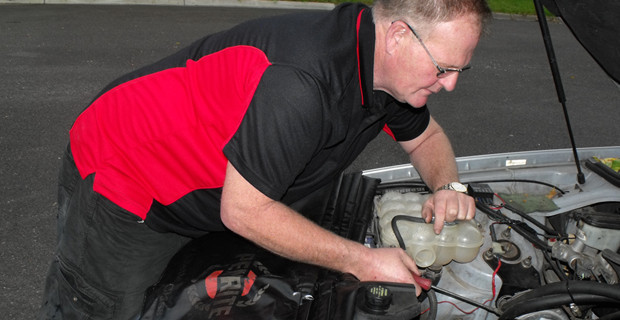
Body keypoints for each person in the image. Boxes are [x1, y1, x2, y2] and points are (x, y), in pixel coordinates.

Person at [39, 0, 492, 318]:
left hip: (206, 185)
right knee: (101, 309)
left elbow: (427, 136)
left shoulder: (382, 68)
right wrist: (364, 260)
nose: (449, 85)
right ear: (397, 36)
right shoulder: (300, 85)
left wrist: (447, 187)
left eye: (459, 71)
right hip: (125, 176)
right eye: (443, 68)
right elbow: (243, 211)